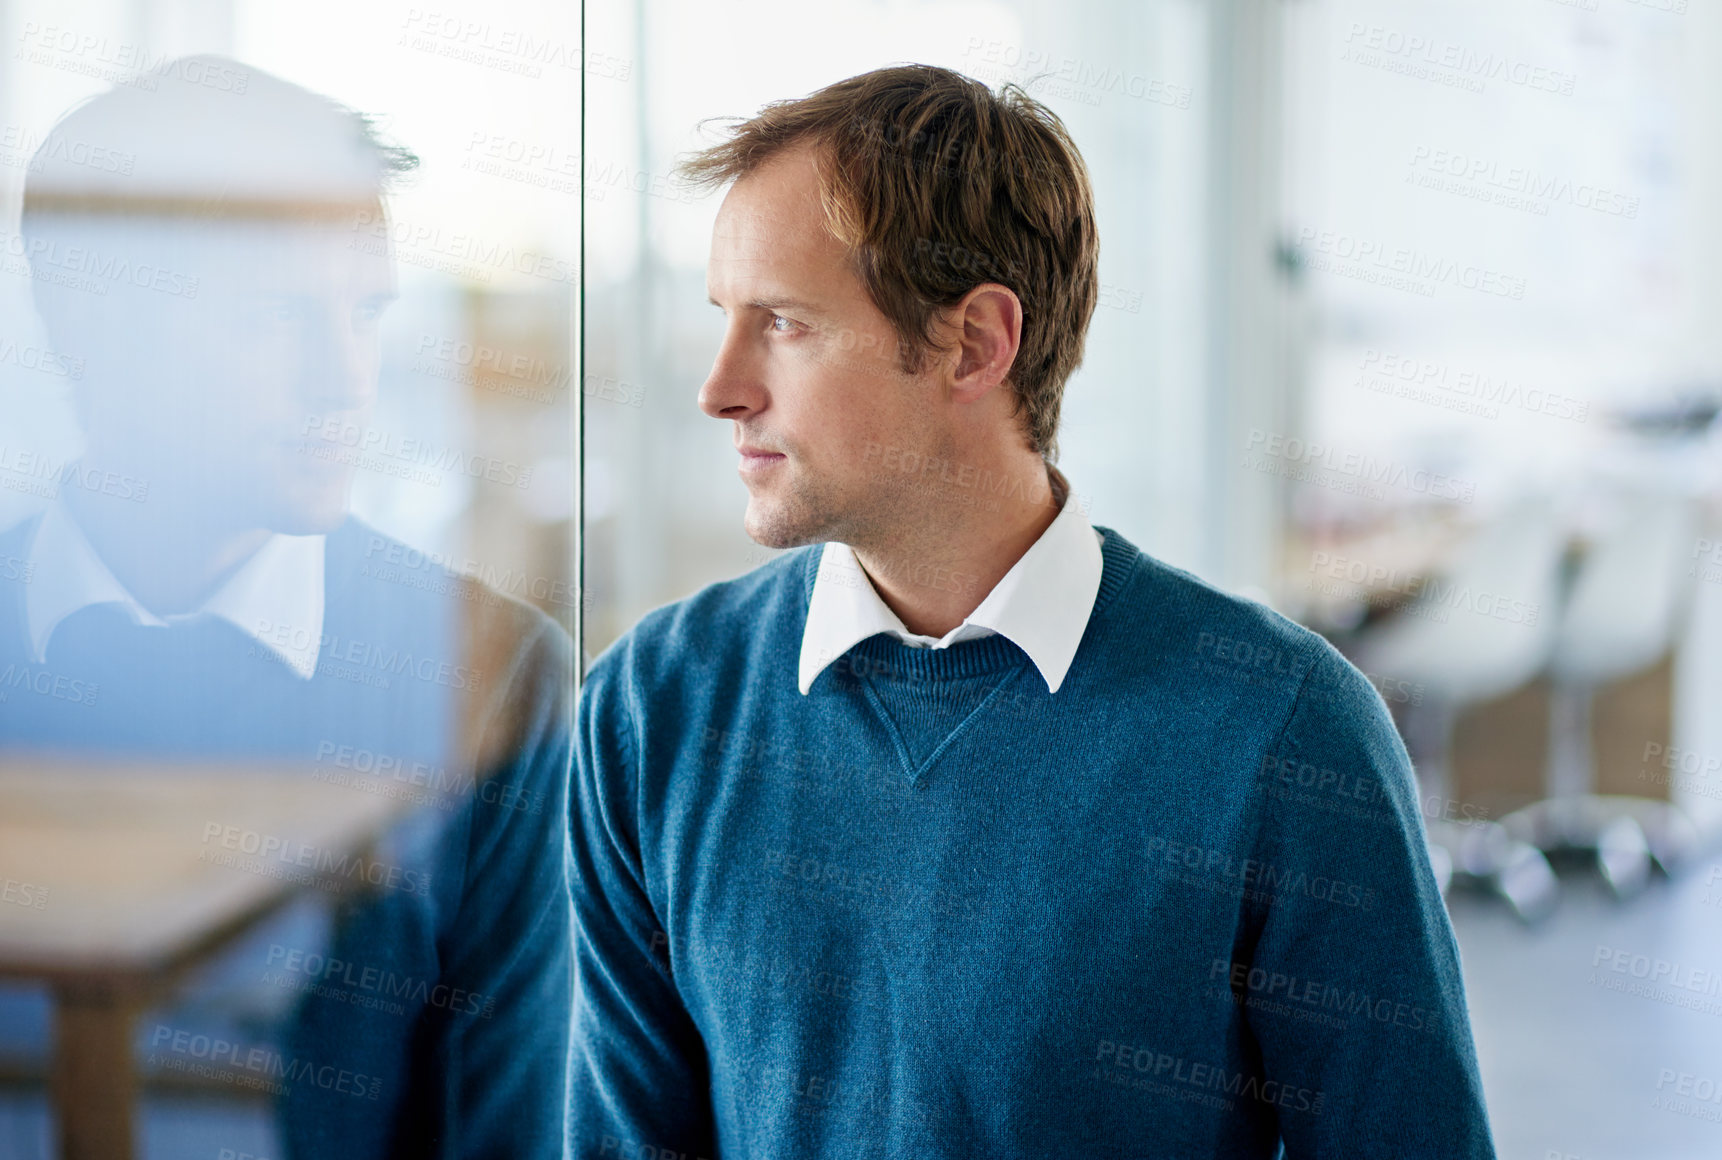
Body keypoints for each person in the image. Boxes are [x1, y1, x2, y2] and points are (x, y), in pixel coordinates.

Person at [571, 64, 1496, 1158]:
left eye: (783, 323)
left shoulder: (1285, 729)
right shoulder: (652, 707)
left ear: (976, 343)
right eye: (725, 317)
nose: (719, 386)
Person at [0, 58, 571, 1158]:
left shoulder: (492, 671)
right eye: (271, 318)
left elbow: (506, 1131)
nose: (343, 379)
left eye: (362, 314)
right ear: (84, 327)